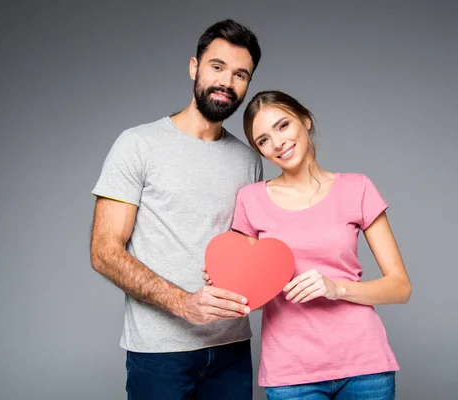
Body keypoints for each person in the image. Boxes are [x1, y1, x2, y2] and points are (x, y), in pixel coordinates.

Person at [89, 20, 263, 400]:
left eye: (240, 74)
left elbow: (248, 253)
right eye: (217, 67)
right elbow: (104, 252)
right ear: (194, 67)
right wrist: (184, 304)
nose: (226, 82)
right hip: (160, 353)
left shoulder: (249, 161)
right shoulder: (138, 145)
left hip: (233, 349)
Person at [206, 90, 412, 399]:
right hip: (291, 373)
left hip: (364, 366)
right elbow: (256, 299)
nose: (277, 143)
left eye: (283, 126)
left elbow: (400, 288)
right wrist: (230, 286)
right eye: (263, 140)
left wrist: (337, 288)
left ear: (305, 120)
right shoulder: (251, 200)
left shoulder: (358, 188)